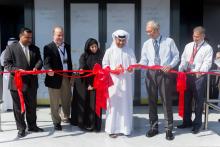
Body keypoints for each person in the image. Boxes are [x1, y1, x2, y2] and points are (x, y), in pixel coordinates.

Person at [139, 20, 179, 140]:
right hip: (151, 74)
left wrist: (170, 65)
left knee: (166, 101)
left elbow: (177, 56)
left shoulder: (169, 41)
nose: (148, 33)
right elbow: (144, 60)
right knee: (151, 101)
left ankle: (168, 129)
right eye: (147, 31)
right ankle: (154, 127)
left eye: (149, 31)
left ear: (156, 30)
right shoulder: (146, 44)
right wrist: (136, 65)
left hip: (165, 73)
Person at [4, 28, 43, 138]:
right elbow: (6, 64)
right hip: (17, 84)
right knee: (18, 107)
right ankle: (21, 128)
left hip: (32, 83)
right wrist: (16, 70)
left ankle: (32, 126)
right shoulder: (11, 48)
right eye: (27, 37)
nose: (29, 39)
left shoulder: (35, 48)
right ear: (21, 36)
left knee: (32, 106)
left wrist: (36, 67)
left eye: (31, 37)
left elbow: (40, 60)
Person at [178, 26, 213, 134]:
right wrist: (181, 67)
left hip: (199, 78)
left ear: (203, 36)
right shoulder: (188, 46)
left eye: (197, 36)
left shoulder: (208, 48)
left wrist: (200, 71)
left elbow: (207, 63)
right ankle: (186, 121)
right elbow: (183, 58)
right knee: (186, 100)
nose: (195, 38)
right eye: (194, 35)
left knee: (198, 102)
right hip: (187, 76)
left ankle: (197, 124)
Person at [102, 30, 136, 138]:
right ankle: (112, 129)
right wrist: (113, 69)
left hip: (126, 82)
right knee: (113, 105)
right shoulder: (109, 51)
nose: (121, 43)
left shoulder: (129, 51)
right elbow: (104, 65)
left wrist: (131, 69)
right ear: (115, 39)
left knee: (125, 104)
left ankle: (125, 129)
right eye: (119, 40)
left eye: (123, 40)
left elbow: (134, 64)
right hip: (113, 82)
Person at [71, 38, 103, 132]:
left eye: (95, 46)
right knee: (84, 102)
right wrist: (81, 69)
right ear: (88, 47)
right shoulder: (84, 55)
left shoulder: (101, 55)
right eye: (92, 47)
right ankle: (82, 122)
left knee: (94, 103)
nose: (94, 48)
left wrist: (94, 83)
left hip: (96, 82)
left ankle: (94, 123)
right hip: (84, 82)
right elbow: (82, 64)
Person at [44, 26, 72, 131]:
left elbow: (68, 62)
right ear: (53, 35)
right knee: (54, 102)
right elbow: (46, 62)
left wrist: (71, 75)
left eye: (61, 35)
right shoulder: (48, 47)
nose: (60, 37)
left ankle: (66, 116)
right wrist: (48, 70)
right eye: (58, 35)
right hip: (54, 77)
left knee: (67, 98)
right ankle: (56, 122)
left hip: (66, 76)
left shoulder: (67, 46)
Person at [0, 38, 18, 112]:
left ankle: (15, 106)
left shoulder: (17, 51)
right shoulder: (5, 52)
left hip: (15, 73)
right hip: (7, 74)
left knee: (14, 89)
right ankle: (7, 106)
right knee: (7, 90)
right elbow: (2, 63)